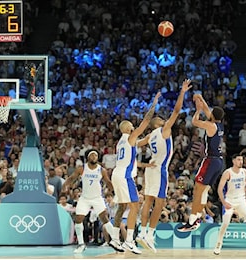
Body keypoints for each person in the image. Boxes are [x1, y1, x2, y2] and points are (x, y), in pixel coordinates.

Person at [136, 79, 192, 253]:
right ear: (158, 124)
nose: (164, 120)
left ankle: (142, 232)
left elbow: (135, 144)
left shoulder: (149, 136)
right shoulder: (163, 130)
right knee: (160, 204)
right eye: (161, 119)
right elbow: (176, 111)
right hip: (159, 169)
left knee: (148, 202)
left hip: (149, 170)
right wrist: (182, 92)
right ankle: (150, 235)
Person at [109, 92, 160, 255]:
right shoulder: (130, 137)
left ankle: (115, 238)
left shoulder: (122, 142)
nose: (133, 126)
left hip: (117, 173)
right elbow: (145, 122)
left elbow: (133, 159)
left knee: (123, 206)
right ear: (128, 128)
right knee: (135, 205)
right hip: (124, 176)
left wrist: (146, 164)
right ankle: (129, 241)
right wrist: (154, 105)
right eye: (132, 125)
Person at [61, 149, 124, 254]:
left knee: (104, 219)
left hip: (97, 198)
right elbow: (72, 178)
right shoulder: (82, 169)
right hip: (85, 198)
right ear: (88, 157)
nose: (94, 157)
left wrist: (116, 191)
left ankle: (116, 241)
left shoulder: (101, 170)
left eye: (96, 155)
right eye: (92, 155)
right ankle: (81, 244)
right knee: (78, 219)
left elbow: (108, 182)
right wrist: (65, 185)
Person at [178, 94, 225, 232]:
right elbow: (208, 110)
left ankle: (192, 220)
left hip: (210, 160)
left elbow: (195, 122)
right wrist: (200, 99)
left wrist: (197, 110)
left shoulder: (210, 126)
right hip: (219, 162)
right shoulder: (219, 125)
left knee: (197, 188)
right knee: (203, 190)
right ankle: (197, 217)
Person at [213, 154, 246, 256]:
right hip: (229, 200)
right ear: (234, 161)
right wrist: (224, 202)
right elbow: (219, 189)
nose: (241, 161)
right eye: (239, 160)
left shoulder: (244, 171)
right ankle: (218, 244)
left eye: (242, 160)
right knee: (225, 223)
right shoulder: (227, 173)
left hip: (241, 200)